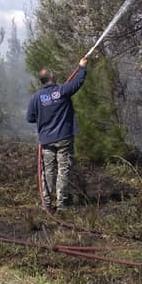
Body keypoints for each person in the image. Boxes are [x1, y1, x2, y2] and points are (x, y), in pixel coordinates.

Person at [27, 57, 87, 211]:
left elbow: (30, 118)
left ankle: (46, 204)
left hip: (46, 141)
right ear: (52, 78)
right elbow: (77, 83)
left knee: (47, 171)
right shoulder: (62, 91)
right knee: (63, 170)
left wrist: (43, 115)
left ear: (41, 81)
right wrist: (82, 67)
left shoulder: (35, 98)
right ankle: (61, 204)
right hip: (64, 139)